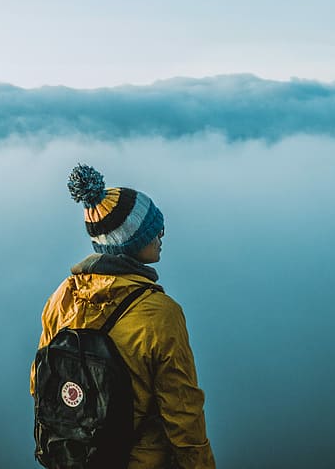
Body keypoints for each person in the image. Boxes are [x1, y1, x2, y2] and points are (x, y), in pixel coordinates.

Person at [31, 164, 216, 469]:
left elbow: (40, 385)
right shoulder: (160, 314)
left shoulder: (62, 296)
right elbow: (183, 414)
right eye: (153, 229)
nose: (161, 234)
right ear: (130, 243)